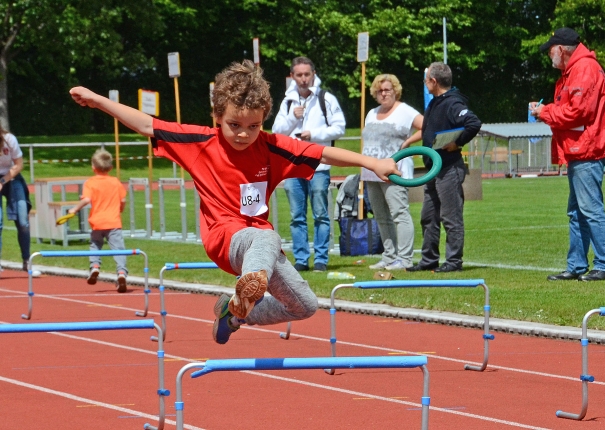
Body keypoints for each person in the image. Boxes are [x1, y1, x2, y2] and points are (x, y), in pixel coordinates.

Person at [69, 60, 399, 345]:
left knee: (305, 305)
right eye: (234, 125)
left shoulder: (272, 146)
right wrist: (98, 100)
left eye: (253, 126)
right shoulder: (198, 142)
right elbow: (145, 124)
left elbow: (324, 152)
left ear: (264, 119)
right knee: (267, 235)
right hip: (225, 238)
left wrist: (372, 163)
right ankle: (250, 286)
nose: (243, 134)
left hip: (261, 249)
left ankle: (233, 312)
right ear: (217, 115)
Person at [531, 27, 605, 282]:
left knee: (589, 209)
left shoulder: (583, 69)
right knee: (578, 211)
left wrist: (545, 112)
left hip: (587, 148)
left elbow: (577, 113)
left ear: (561, 49)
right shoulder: (576, 70)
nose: (549, 55)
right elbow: (572, 110)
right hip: (581, 148)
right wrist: (547, 111)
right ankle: (577, 265)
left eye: (550, 50)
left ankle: (603, 264)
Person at [404, 62, 481, 273]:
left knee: (451, 216)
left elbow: (473, 123)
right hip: (432, 169)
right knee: (428, 216)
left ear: (434, 81)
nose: (425, 83)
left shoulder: (452, 103)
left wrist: (457, 143)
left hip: (448, 168)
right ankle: (429, 259)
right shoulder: (435, 103)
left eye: (426, 79)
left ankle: (454, 261)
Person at [272, 56, 346, 273]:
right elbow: (276, 131)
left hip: (318, 165)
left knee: (321, 214)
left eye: (307, 74)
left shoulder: (326, 98)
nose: (303, 79)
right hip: (292, 166)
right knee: (297, 216)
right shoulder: (288, 101)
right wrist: (293, 119)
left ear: (313, 74)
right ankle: (302, 259)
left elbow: (339, 128)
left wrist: (313, 134)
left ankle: (321, 258)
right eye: (299, 75)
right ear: (292, 77)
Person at [362, 74, 422, 271]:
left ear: (395, 90)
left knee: (399, 214)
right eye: (380, 91)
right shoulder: (371, 113)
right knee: (381, 216)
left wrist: (408, 142)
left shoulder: (404, 111)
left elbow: (427, 125)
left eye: (387, 89)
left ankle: (404, 259)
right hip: (371, 172)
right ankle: (389, 256)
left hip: (394, 172)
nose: (384, 93)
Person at [67, 149, 128, 292]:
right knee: (118, 250)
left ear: (93, 168)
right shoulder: (115, 181)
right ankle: (121, 273)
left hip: (97, 222)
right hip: (113, 222)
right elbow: (123, 199)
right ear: (111, 168)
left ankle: (95, 267)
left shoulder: (90, 183)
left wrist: (74, 209)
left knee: (95, 245)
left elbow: (87, 199)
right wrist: (120, 209)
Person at [0, 125, 41, 277]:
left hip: (12, 177)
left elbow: (19, 164)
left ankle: (26, 261)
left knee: (23, 221)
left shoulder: (10, 140)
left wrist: (3, 181)